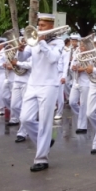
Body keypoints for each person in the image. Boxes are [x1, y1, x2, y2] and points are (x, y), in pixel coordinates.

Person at [20, 14, 64, 171]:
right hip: (33, 84)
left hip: (49, 85)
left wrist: (42, 42)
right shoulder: (33, 41)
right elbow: (24, 56)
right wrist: (20, 49)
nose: (39, 28)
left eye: (43, 25)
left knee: (45, 123)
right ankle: (44, 142)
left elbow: (53, 58)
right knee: (25, 119)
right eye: (39, 25)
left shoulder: (58, 43)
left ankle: (41, 159)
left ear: (51, 27)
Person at [69, 36, 91, 134]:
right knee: (72, 102)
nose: (81, 48)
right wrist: (73, 67)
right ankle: (83, 117)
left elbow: (92, 68)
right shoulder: (77, 54)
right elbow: (71, 66)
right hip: (76, 81)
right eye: (80, 46)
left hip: (86, 82)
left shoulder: (91, 55)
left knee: (83, 104)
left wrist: (82, 69)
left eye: (83, 46)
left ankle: (82, 126)